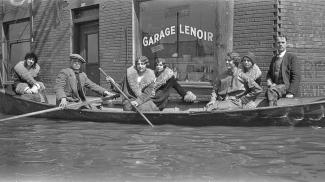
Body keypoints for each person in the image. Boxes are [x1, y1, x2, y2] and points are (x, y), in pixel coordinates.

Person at [266, 35, 301, 106]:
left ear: (286, 44)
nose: (280, 44)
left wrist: (291, 92)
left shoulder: (291, 57)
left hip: (287, 87)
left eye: (283, 42)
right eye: (278, 42)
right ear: (275, 44)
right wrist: (269, 82)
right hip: (276, 87)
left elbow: (296, 76)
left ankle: (271, 113)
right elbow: (269, 74)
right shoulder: (274, 58)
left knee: (271, 92)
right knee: (268, 93)